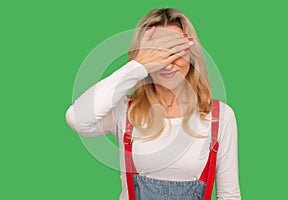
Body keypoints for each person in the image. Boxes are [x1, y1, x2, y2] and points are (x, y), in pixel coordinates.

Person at [65, 8, 241, 200]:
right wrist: (137, 66)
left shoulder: (219, 116)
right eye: (157, 53)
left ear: (191, 54)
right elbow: (77, 119)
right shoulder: (125, 111)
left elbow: (229, 195)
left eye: (175, 51)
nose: (167, 63)